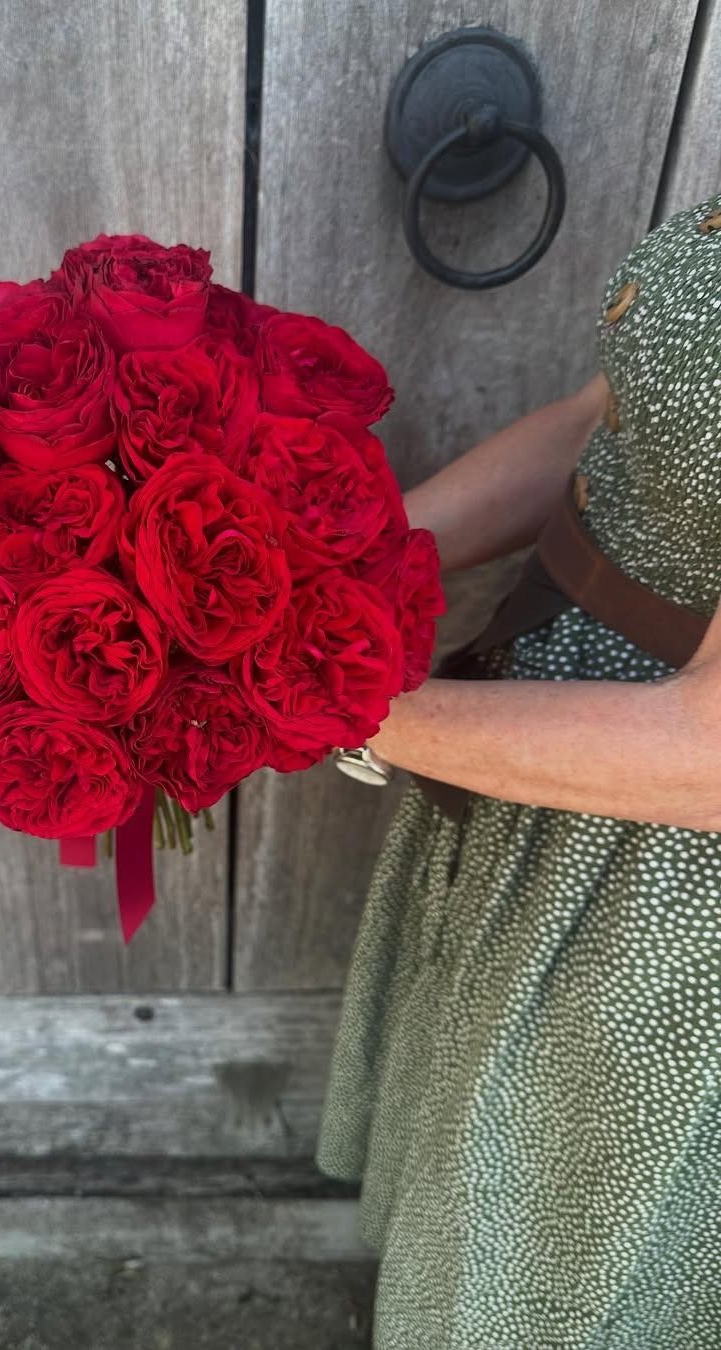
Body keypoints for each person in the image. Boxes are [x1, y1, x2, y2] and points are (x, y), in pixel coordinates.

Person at [317, 194, 721, 1349]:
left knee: (561, 1220)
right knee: (474, 1140)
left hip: (662, 874)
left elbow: (712, 757)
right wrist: (321, 593)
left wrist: (324, 695)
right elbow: (609, 421)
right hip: (541, 723)